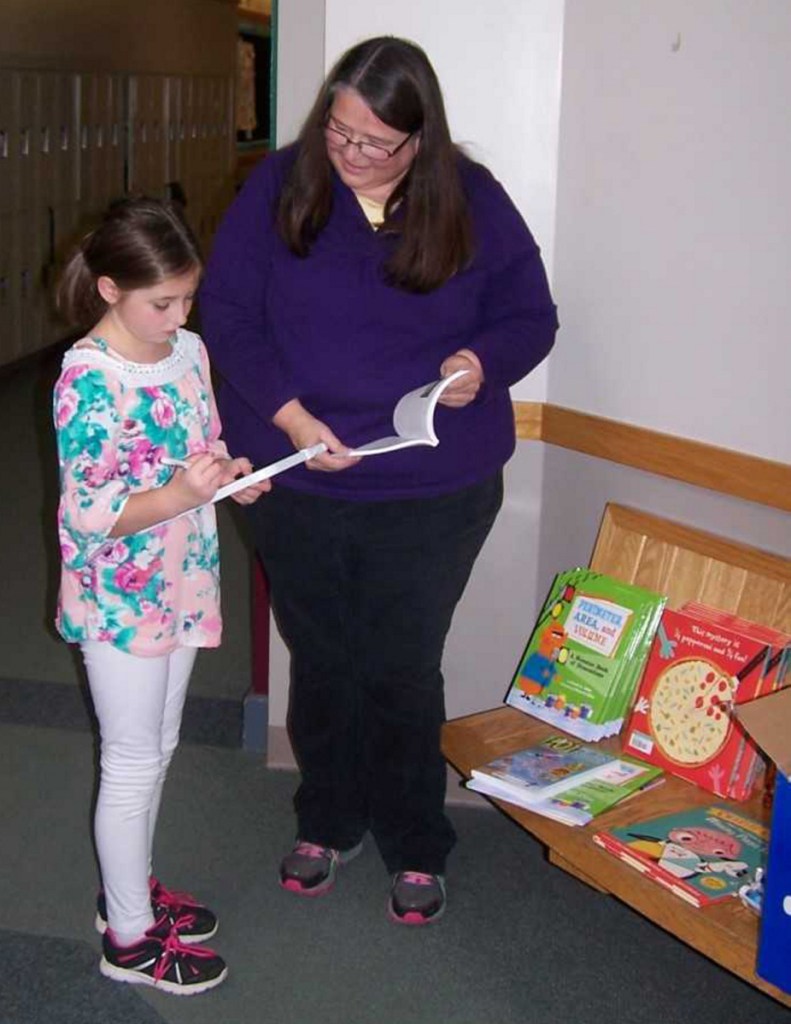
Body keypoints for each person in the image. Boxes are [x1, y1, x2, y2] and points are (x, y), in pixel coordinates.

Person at [200, 35, 558, 925]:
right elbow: (229, 313)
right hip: (299, 477)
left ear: (418, 140)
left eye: (375, 143)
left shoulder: (469, 197)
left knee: (400, 667)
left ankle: (414, 838)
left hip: (431, 488)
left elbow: (530, 315)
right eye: (339, 130)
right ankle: (325, 818)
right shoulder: (281, 184)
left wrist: (482, 358)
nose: (351, 153)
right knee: (322, 658)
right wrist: (287, 416)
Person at [53, 197, 269, 993]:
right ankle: (129, 939)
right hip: (119, 594)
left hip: (181, 576)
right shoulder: (89, 378)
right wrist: (183, 495)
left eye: (187, 297)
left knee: (161, 748)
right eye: (161, 302)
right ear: (110, 289)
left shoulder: (186, 351)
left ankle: (130, 895)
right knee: (131, 762)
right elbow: (91, 514)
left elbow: (200, 447)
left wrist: (227, 478)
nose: (178, 316)